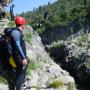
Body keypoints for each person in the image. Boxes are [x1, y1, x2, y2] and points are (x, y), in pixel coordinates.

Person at [8, 16, 28, 90]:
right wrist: (23, 58)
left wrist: (25, 57)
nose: (25, 25)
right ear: (22, 24)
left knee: (21, 71)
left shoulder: (16, 31)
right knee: (20, 74)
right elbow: (18, 45)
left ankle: (20, 83)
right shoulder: (16, 32)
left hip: (19, 56)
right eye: (24, 24)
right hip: (18, 57)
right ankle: (18, 87)